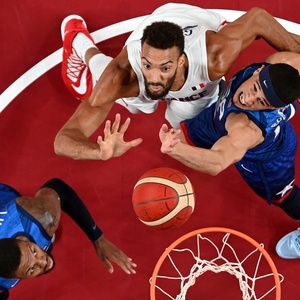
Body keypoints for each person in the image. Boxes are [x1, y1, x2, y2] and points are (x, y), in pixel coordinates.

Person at [54, 3, 300, 161]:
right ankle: (78, 43)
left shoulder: (215, 58)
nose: (154, 78)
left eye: (165, 68)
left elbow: (259, 19)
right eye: (147, 65)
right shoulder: (126, 76)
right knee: (128, 99)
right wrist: (98, 152)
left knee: (192, 122)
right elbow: (63, 140)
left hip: (189, 26)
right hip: (151, 50)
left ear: (181, 61)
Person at [158, 51, 300, 259]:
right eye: (255, 88)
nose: (249, 98)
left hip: (267, 161)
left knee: (285, 198)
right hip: (217, 118)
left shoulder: (246, 129)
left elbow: (218, 161)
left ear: (273, 107)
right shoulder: (281, 63)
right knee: (189, 135)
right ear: (260, 70)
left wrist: (174, 149)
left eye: (261, 102)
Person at [0, 178, 136, 299]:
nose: (42, 260)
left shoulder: (38, 218)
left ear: (22, 241)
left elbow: (58, 188)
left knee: (50, 225)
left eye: (34, 251)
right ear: (11, 278)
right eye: (31, 269)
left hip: (5, 200)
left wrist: (98, 238)